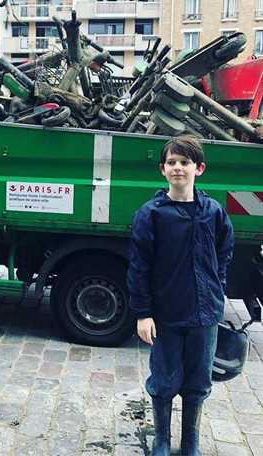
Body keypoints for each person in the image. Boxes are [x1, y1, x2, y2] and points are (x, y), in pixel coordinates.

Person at [127, 135, 234, 456]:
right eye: (171, 163)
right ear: (162, 169)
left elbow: (224, 254)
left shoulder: (213, 212)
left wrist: (215, 289)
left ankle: (191, 443)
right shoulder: (152, 215)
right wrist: (143, 313)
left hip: (205, 316)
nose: (178, 168)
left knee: (198, 381)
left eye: (184, 162)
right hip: (167, 315)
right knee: (164, 378)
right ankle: (161, 440)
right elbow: (138, 266)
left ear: (198, 168)